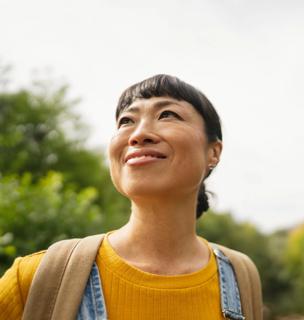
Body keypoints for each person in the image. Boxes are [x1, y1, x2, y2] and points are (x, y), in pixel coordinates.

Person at [0, 74, 263, 319]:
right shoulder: (35, 279)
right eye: (126, 121)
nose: (138, 135)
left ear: (213, 152)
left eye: (167, 114)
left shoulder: (241, 276)